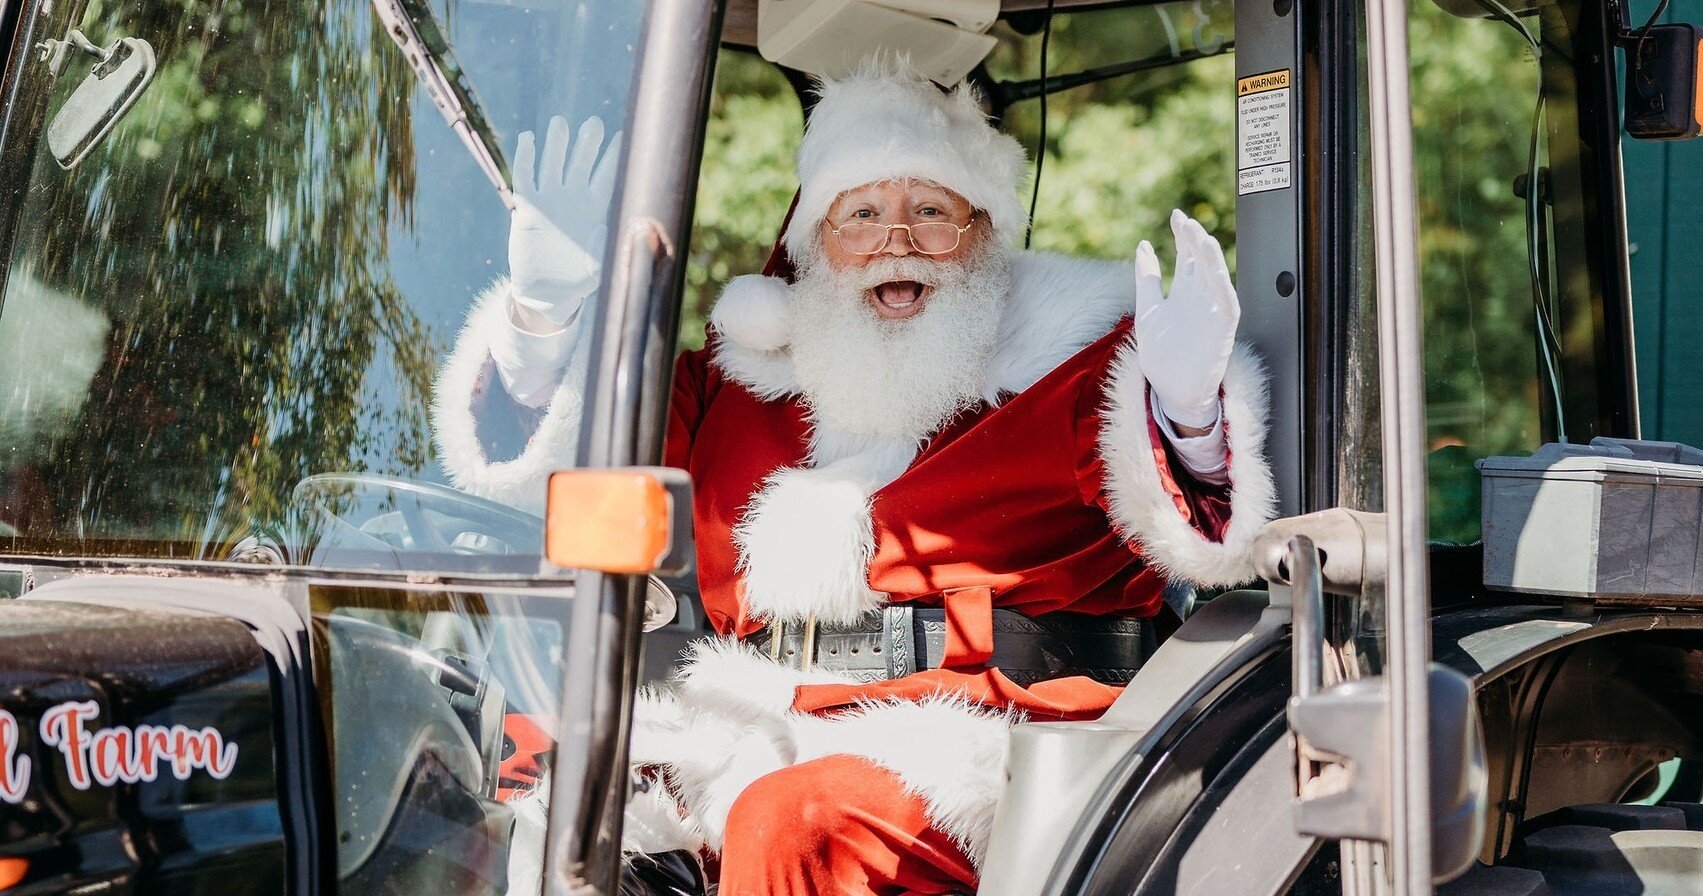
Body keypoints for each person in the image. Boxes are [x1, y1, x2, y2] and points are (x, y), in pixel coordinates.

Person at [434, 62, 1275, 895]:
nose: (895, 241)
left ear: (981, 234)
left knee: (795, 819)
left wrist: (1191, 414)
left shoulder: (1072, 367)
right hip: (744, 720)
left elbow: (1192, 514)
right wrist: (540, 324)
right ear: (817, 244)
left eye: (931, 212)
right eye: (862, 213)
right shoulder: (730, 387)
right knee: (540, 798)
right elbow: (563, 469)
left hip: (990, 736)